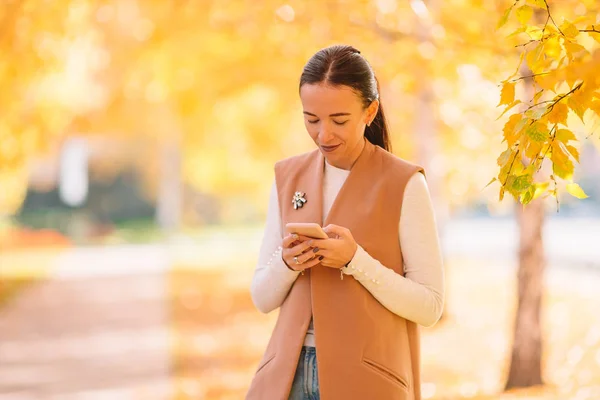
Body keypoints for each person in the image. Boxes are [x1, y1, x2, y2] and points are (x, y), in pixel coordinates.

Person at [245, 44, 444, 400]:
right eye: (311, 119)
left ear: (370, 111)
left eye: (339, 120)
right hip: (288, 376)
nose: (324, 135)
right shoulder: (287, 176)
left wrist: (356, 261)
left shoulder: (405, 183)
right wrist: (288, 263)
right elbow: (262, 297)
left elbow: (429, 307)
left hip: (367, 380)